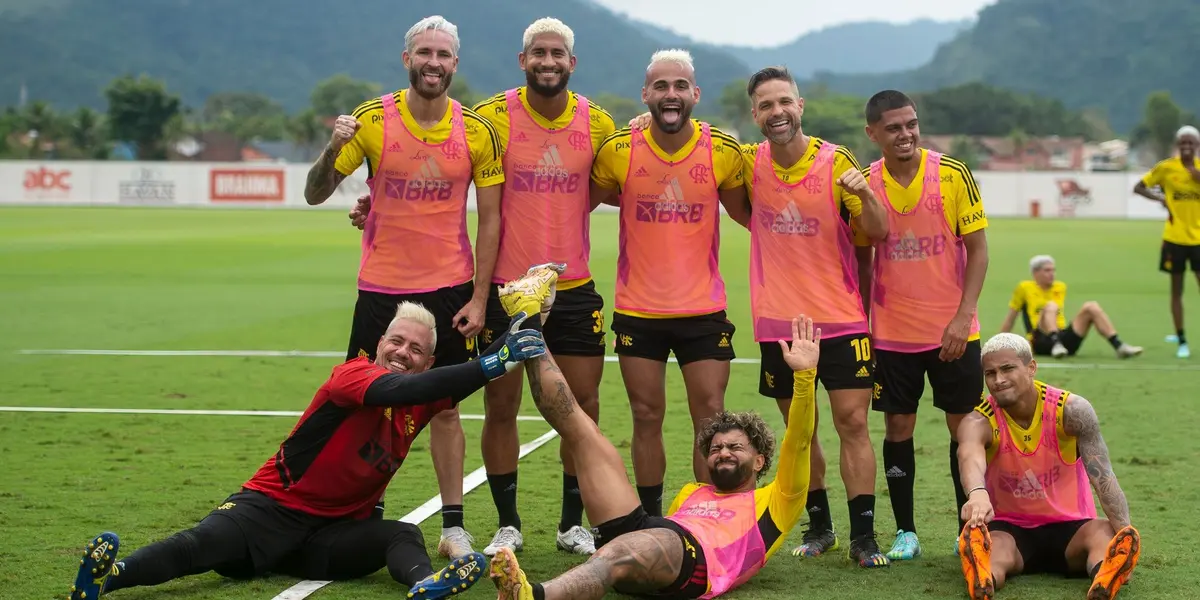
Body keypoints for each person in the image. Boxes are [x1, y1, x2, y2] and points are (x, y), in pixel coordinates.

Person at [66, 302, 550, 600]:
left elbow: (456, 382)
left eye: (416, 350)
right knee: (200, 545)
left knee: (401, 535)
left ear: (428, 362)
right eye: (396, 342)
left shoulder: (424, 394)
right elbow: (409, 388)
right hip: (270, 509)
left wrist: (524, 325)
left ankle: (426, 584)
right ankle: (107, 578)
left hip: (328, 536)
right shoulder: (354, 375)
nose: (403, 352)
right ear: (379, 344)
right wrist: (498, 361)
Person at [485, 263, 820, 600]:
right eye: (716, 448)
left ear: (760, 460)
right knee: (581, 430)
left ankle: (533, 595)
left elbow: (800, 441)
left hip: (695, 559)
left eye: (735, 447)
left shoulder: (778, 500)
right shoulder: (692, 492)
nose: (723, 453)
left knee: (620, 552)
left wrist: (805, 377)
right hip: (655, 536)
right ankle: (527, 318)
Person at [304, 14, 506, 558]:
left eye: (442, 55)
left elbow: (491, 220)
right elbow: (315, 193)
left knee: (445, 408)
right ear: (407, 59)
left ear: (455, 63)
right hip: (381, 289)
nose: (433, 63)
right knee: (366, 404)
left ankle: (453, 527)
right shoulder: (371, 120)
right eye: (424, 53)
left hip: (449, 288)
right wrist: (332, 148)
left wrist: (479, 298)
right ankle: (358, 514)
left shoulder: (477, 131)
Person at [467, 17, 616, 558]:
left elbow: (620, 177)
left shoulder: (598, 122)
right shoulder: (489, 117)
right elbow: (451, 177)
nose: (547, 62)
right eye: (538, 53)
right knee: (501, 403)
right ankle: (507, 524)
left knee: (582, 404)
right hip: (508, 289)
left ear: (571, 63)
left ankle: (572, 524)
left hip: (573, 287)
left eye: (557, 54)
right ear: (522, 60)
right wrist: (375, 202)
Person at [588, 49, 751, 519]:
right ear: (646, 94)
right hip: (638, 311)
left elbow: (750, 215)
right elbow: (577, 201)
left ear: (695, 93)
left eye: (680, 85)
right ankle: (651, 518)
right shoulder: (619, 150)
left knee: (710, 420)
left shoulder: (723, 150)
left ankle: (708, 518)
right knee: (645, 417)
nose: (671, 93)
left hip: (703, 311)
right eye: (661, 86)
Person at [738, 66, 890, 566]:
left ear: (799, 106)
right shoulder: (747, 162)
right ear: (755, 114)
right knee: (799, 429)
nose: (777, 112)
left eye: (784, 101)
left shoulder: (836, 161)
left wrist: (866, 193)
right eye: (766, 105)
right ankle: (821, 527)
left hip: (841, 319)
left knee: (853, 423)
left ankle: (864, 535)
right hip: (778, 323)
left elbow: (878, 231)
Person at [860, 90, 990, 561]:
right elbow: (862, 259)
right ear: (873, 133)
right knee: (898, 426)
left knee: (964, 431)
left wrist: (962, 317)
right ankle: (906, 533)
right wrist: (865, 323)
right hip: (892, 334)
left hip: (953, 333)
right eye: (894, 127)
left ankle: (967, 529)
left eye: (911, 124)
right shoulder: (865, 184)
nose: (906, 134)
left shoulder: (953, 174)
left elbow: (978, 251)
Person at [955, 332, 1141, 600]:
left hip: (1073, 527)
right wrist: (977, 494)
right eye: (990, 373)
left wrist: (1124, 533)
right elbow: (969, 457)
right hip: (1010, 530)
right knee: (995, 548)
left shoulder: (1071, 410)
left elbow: (1103, 477)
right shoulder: (977, 421)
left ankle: (1108, 571)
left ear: (1031, 367)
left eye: (1007, 369)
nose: (998, 380)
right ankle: (984, 578)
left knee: (1103, 532)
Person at [1133, 124, 1200, 359]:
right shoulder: (1167, 168)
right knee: (1176, 290)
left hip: (1199, 240)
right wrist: (1159, 198)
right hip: (1174, 239)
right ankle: (1181, 339)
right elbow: (1139, 187)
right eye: (1183, 142)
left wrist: (1195, 174)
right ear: (1177, 145)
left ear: (1197, 145)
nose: (1187, 146)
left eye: (1191, 142)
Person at [999, 254, 1142, 359]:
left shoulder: (1060, 287)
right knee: (1051, 306)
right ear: (1035, 273)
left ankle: (1119, 346)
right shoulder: (1024, 288)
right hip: (1040, 340)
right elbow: (1011, 318)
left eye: (1053, 270)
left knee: (1091, 306)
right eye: (1047, 270)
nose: (1052, 274)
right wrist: (999, 344)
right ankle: (1055, 343)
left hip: (1063, 340)